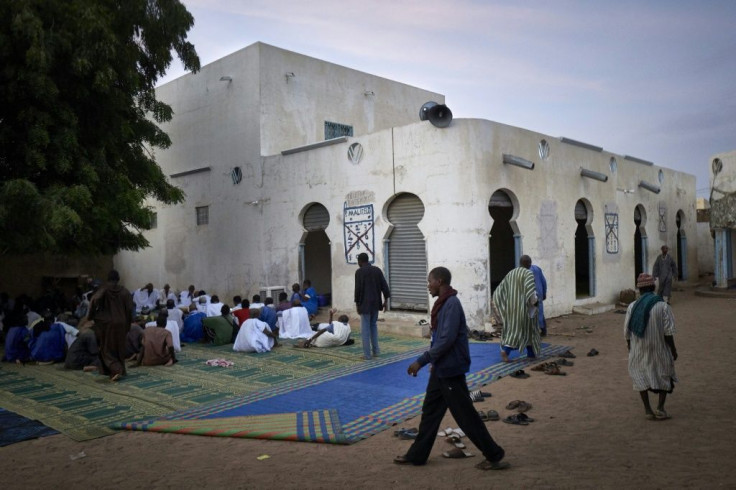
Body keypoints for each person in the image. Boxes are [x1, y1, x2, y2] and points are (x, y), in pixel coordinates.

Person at [394, 267, 509, 471]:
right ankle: (417, 455)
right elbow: (439, 338)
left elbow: (446, 340)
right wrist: (435, 363)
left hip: (451, 370)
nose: (428, 285)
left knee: (466, 416)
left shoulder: (451, 304)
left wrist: (422, 361)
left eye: (430, 281)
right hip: (442, 369)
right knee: (430, 413)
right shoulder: (443, 304)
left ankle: (494, 454)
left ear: (439, 281)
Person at [625, 273, 678, 420]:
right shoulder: (662, 306)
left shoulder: (632, 306)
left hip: (638, 349)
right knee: (664, 374)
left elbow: (627, 333)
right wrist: (673, 350)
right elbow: (668, 332)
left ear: (639, 289)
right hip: (659, 348)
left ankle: (648, 410)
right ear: (653, 287)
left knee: (640, 377)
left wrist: (631, 350)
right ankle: (660, 408)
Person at [88, 270, 134, 382]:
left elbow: (94, 299)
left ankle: (116, 369)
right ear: (118, 279)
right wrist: (127, 324)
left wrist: (92, 315)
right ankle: (119, 369)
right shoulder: (125, 292)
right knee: (119, 347)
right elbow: (130, 309)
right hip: (122, 323)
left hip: (108, 323)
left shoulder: (104, 289)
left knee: (106, 349)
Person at [492, 264, 541, 362]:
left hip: (511, 308)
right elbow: (531, 292)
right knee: (522, 331)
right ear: (529, 264)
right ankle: (506, 350)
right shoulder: (528, 274)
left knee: (517, 330)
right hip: (524, 309)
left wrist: (504, 304)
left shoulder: (511, 273)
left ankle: (531, 354)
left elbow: (500, 289)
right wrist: (535, 302)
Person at [354, 252, 391, 360]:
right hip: (375, 304)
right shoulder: (377, 270)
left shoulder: (359, 272)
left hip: (364, 305)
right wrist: (386, 301)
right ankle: (376, 351)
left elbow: (358, 290)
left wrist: (357, 304)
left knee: (365, 329)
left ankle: (367, 355)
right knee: (373, 326)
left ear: (360, 261)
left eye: (358, 262)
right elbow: (385, 286)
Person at [520, 255, 548, 336]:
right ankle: (543, 330)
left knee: (532, 314)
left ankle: (534, 332)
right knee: (540, 312)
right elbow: (544, 281)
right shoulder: (537, 269)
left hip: (531, 296)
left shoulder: (524, 272)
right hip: (539, 293)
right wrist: (544, 292)